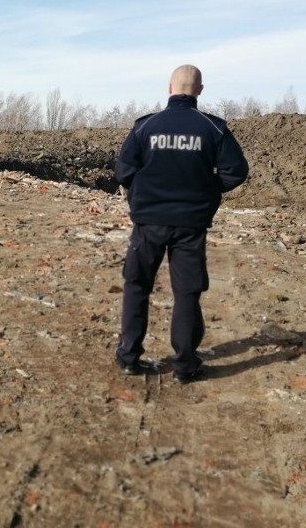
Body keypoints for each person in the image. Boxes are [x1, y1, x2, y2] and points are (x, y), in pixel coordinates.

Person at [114, 65, 249, 383]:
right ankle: (186, 367)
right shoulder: (213, 129)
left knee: (137, 286)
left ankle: (129, 358)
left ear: (169, 87)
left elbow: (123, 170)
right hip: (191, 224)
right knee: (187, 292)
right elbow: (236, 171)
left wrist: (145, 191)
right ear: (199, 90)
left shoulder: (146, 126)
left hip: (148, 223)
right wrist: (205, 190)